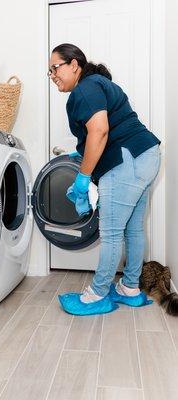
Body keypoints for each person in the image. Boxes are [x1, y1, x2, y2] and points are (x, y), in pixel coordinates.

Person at [48, 43, 161, 316]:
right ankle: (130, 288)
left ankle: (97, 295)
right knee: (133, 229)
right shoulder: (97, 85)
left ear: (74, 64)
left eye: (55, 67)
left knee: (110, 233)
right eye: (48, 71)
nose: (52, 74)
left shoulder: (85, 88)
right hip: (145, 155)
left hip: (126, 160)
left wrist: (83, 178)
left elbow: (99, 131)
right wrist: (79, 152)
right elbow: (99, 132)